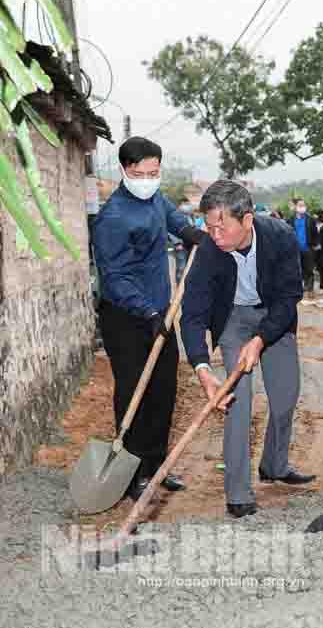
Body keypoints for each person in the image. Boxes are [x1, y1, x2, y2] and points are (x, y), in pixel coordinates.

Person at [181, 180, 314, 519]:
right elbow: (192, 314)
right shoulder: (209, 250)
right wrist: (202, 368)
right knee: (237, 404)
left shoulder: (280, 236)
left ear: (247, 219)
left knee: (285, 397)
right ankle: (238, 492)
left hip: (274, 318)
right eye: (209, 227)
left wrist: (261, 339)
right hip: (233, 320)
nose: (215, 235)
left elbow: (289, 296)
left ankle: (275, 464)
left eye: (222, 226)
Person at [92, 136, 204, 501]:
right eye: (140, 174)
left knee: (163, 390)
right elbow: (115, 277)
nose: (148, 180)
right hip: (127, 317)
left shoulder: (154, 197)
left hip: (160, 311)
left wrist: (187, 230)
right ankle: (132, 473)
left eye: (154, 173)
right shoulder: (113, 218)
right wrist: (148, 311)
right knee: (134, 393)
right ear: (124, 170)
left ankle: (156, 465)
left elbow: (169, 213)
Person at [288, 198, 320, 296]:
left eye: (303, 205)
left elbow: (315, 233)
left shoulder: (310, 219)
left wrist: (316, 244)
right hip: (295, 250)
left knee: (309, 269)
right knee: (297, 270)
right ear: (296, 207)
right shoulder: (290, 220)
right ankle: (299, 290)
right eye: (300, 205)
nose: (302, 207)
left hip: (308, 248)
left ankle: (310, 290)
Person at [170, 198, 194, 284]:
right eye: (185, 203)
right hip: (181, 246)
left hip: (189, 246)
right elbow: (171, 231)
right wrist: (177, 243)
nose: (188, 206)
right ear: (180, 205)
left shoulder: (189, 216)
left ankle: (186, 286)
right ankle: (180, 286)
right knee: (181, 268)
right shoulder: (174, 217)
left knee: (189, 267)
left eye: (188, 203)